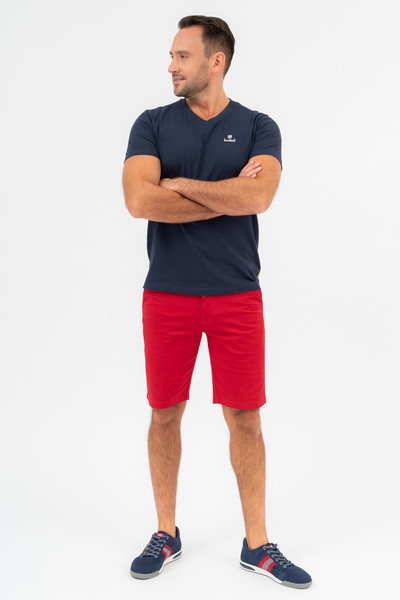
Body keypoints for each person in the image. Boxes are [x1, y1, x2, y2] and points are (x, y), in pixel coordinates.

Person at [122, 15, 312, 589]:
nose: (171, 66)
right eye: (171, 55)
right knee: (164, 413)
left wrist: (180, 184)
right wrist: (229, 194)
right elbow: (139, 201)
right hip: (167, 295)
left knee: (245, 418)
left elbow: (260, 196)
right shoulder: (152, 124)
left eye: (182, 56)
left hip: (236, 295)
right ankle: (166, 532)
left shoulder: (258, 126)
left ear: (216, 61)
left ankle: (258, 545)